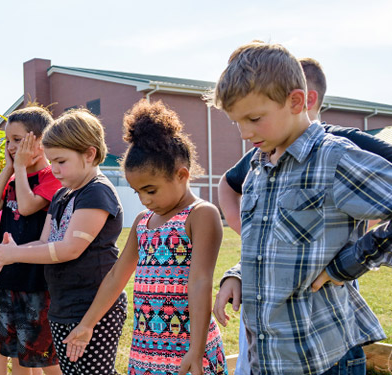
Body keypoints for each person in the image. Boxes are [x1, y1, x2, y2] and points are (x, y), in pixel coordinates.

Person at [208, 41, 391, 375]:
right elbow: (272, 243)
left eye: (254, 118)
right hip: (271, 359)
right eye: (237, 123)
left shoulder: (335, 159)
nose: (246, 133)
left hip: (326, 360)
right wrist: (238, 274)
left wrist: (350, 263)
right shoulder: (258, 167)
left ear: (295, 101)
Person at [60, 102, 227, 375]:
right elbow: (116, 277)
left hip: (188, 348)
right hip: (147, 348)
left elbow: (200, 283)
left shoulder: (200, 215)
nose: (145, 200)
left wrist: (196, 352)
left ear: (182, 175)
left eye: (151, 190)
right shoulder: (142, 223)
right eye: (138, 192)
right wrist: (87, 323)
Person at [0, 109, 126, 375]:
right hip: (62, 305)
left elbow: (70, 247)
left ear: (89, 154)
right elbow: (45, 241)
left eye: (60, 161)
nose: (55, 169)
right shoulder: (62, 194)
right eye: (52, 161)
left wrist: (15, 255)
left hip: (91, 306)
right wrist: (10, 251)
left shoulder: (97, 192)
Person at [0, 106, 62, 375]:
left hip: (36, 282)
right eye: (7, 141)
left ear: (39, 141)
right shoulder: (14, 175)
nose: (11, 146)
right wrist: (8, 169)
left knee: (46, 358)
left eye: (18, 140)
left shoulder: (52, 177)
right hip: (8, 279)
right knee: (16, 355)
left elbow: (26, 207)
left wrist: (21, 169)